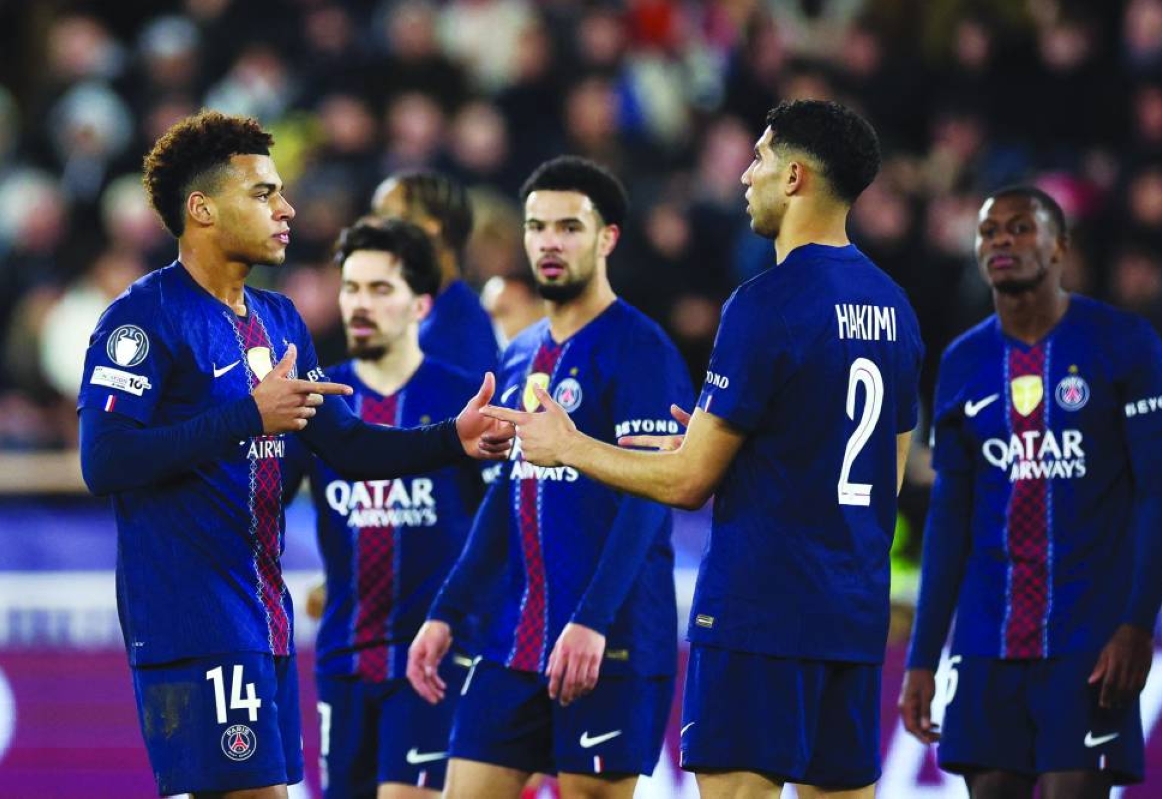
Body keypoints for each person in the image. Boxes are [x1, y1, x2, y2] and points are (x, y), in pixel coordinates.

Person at [476, 100, 924, 799]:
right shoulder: (895, 305)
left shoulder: (765, 302)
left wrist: (570, 444)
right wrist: (746, 452)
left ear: (796, 177)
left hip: (760, 612)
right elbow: (882, 476)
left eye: (761, 158)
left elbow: (687, 483)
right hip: (851, 615)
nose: (747, 175)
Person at [76, 110, 511, 799]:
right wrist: (251, 415)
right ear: (203, 210)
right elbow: (104, 461)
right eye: (263, 194)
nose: (287, 209)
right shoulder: (142, 319)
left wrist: (450, 437)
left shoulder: (278, 319)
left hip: (265, 620)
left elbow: (346, 444)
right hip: (192, 622)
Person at [406, 156, 693, 799]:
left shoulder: (642, 350)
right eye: (537, 227)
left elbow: (648, 499)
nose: (549, 243)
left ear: (607, 238)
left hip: (609, 641)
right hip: (515, 641)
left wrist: (594, 621)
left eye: (569, 227)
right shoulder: (518, 351)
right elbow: (506, 497)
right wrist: (447, 611)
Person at [898, 187, 1162, 799]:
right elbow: (950, 517)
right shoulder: (962, 361)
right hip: (986, 641)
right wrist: (922, 657)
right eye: (989, 231)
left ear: (1060, 247)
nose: (1001, 240)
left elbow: (1160, 495)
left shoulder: (1124, 343)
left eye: (1021, 227)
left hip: (1088, 640)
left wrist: (1137, 624)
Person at [304, 216, 489, 798]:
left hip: (435, 657)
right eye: (351, 288)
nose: (361, 304)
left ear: (420, 305)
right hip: (343, 658)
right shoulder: (315, 402)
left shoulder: (464, 400)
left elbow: (503, 528)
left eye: (381, 289)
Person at [373, 170, 498, 379]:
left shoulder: (462, 325)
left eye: (388, 217)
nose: (375, 230)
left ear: (431, 227)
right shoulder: (413, 314)